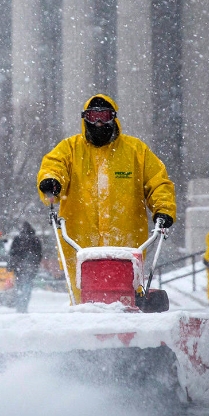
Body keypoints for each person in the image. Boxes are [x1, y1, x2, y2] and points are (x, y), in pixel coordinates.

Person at [37, 93, 177, 305]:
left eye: (105, 116)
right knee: (82, 295)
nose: (100, 122)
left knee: (127, 294)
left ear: (114, 118)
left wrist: (163, 209)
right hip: (80, 243)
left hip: (127, 243)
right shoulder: (70, 149)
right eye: (94, 116)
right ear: (85, 119)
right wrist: (51, 181)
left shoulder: (136, 151)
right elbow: (53, 166)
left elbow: (158, 182)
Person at [7, 221, 43, 313]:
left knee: (19, 287)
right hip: (31, 268)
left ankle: (19, 306)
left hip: (19, 268)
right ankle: (24, 306)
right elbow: (39, 254)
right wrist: (35, 264)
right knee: (27, 286)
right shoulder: (35, 240)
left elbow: (12, 253)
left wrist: (11, 265)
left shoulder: (17, 239)